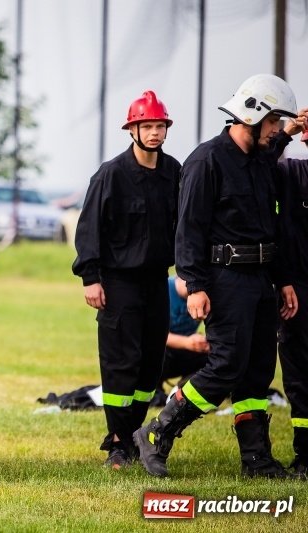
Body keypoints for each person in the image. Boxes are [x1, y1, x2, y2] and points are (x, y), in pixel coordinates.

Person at [134, 74, 305, 479]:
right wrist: (194, 285)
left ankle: (257, 459)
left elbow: (271, 226)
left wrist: (282, 280)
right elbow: (188, 228)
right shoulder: (206, 161)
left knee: (258, 370)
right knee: (226, 365)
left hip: (263, 280)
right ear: (252, 116)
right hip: (224, 279)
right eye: (274, 123)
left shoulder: (261, 159)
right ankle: (157, 432)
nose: (277, 131)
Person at [72, 91, 181, 470]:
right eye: (147, 126)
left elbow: (184, 227)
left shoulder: (174, 173)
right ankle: (118, 442)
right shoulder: (111, 174)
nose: (154, 133)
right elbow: (89, 230)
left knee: (150, 365)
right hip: (117, 284)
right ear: (132, 129)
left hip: (157, 283)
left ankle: (134, 435)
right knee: (121, 363)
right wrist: (91, 277)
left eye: (159, 126)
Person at [274, 126, 308, 478]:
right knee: (299, 371)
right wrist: (285, 131)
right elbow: (254, 165)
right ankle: (305, 454)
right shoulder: (292, 173)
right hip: (298, 288)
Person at [151, 275, 210, 406]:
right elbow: (150, 333)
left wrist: (204, 343)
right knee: (152, 350)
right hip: (161, 350)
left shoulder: (205, 294)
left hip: (186, 350)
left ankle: (183, 391)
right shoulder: (162, 289)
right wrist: (187, 342)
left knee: (214, 356)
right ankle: (154, 392)